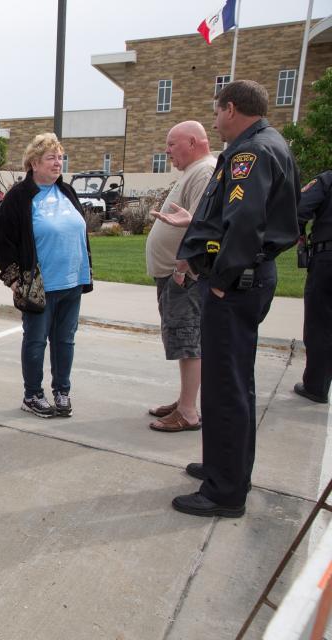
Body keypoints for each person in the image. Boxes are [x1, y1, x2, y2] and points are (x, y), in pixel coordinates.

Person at [172, 80, 300, 518]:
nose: (214, 118)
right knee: (231, 381)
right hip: (245, 279)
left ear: (230, 109)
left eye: (216, 110)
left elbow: (244, 224)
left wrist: (223, 278)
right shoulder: (265, 144)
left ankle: (224, 492)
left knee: (227, 388)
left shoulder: (252, 152)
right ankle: (222, 467)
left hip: (236, 283)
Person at [0, 133, 93, 418]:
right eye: (51, 158)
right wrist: (13, 280)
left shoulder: (67, 191)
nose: (58, 163)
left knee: (65, 340)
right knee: (35, 341)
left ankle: (62, 390)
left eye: (60, 157)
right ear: (34, 162)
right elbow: (0, 240)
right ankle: (32, 394)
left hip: (72, 282)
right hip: (38, 286)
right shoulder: (19, 197)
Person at [146, 121, 217, 432]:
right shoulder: (193, 171)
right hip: (175, 274)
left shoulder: (203, 171)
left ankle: (188, 411)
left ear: (192, 142)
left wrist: (182, 267)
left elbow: (202, 227)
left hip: (183, 276)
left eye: (171, 144)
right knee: (182, 338)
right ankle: (185, 400)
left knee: (188, 340)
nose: (167, 150)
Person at [294, 170, 332, 404]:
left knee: (321, 323)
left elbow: (299, 208)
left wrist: (299, 234)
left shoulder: (327, 180)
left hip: (327, 258)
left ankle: (316, 386)